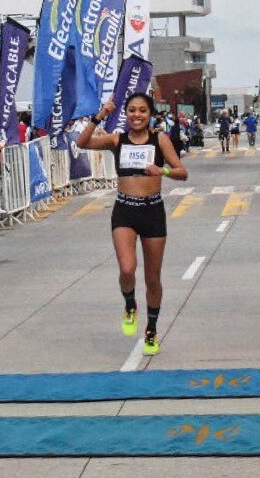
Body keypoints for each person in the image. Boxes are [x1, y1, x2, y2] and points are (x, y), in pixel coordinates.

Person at [77, 93, 188, 356]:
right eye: (132, 111)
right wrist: (100, 115)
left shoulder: (159, 139)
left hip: (152, 212)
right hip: (125, 211)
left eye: (142, 111)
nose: (137, 115)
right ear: (125, 114)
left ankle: (151, 329)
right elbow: (83, 142)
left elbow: (182, 172)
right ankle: (130, 305)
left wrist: (164, 171)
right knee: (127, 269)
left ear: (150, 115)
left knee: (152, 278)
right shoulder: (117, 139)